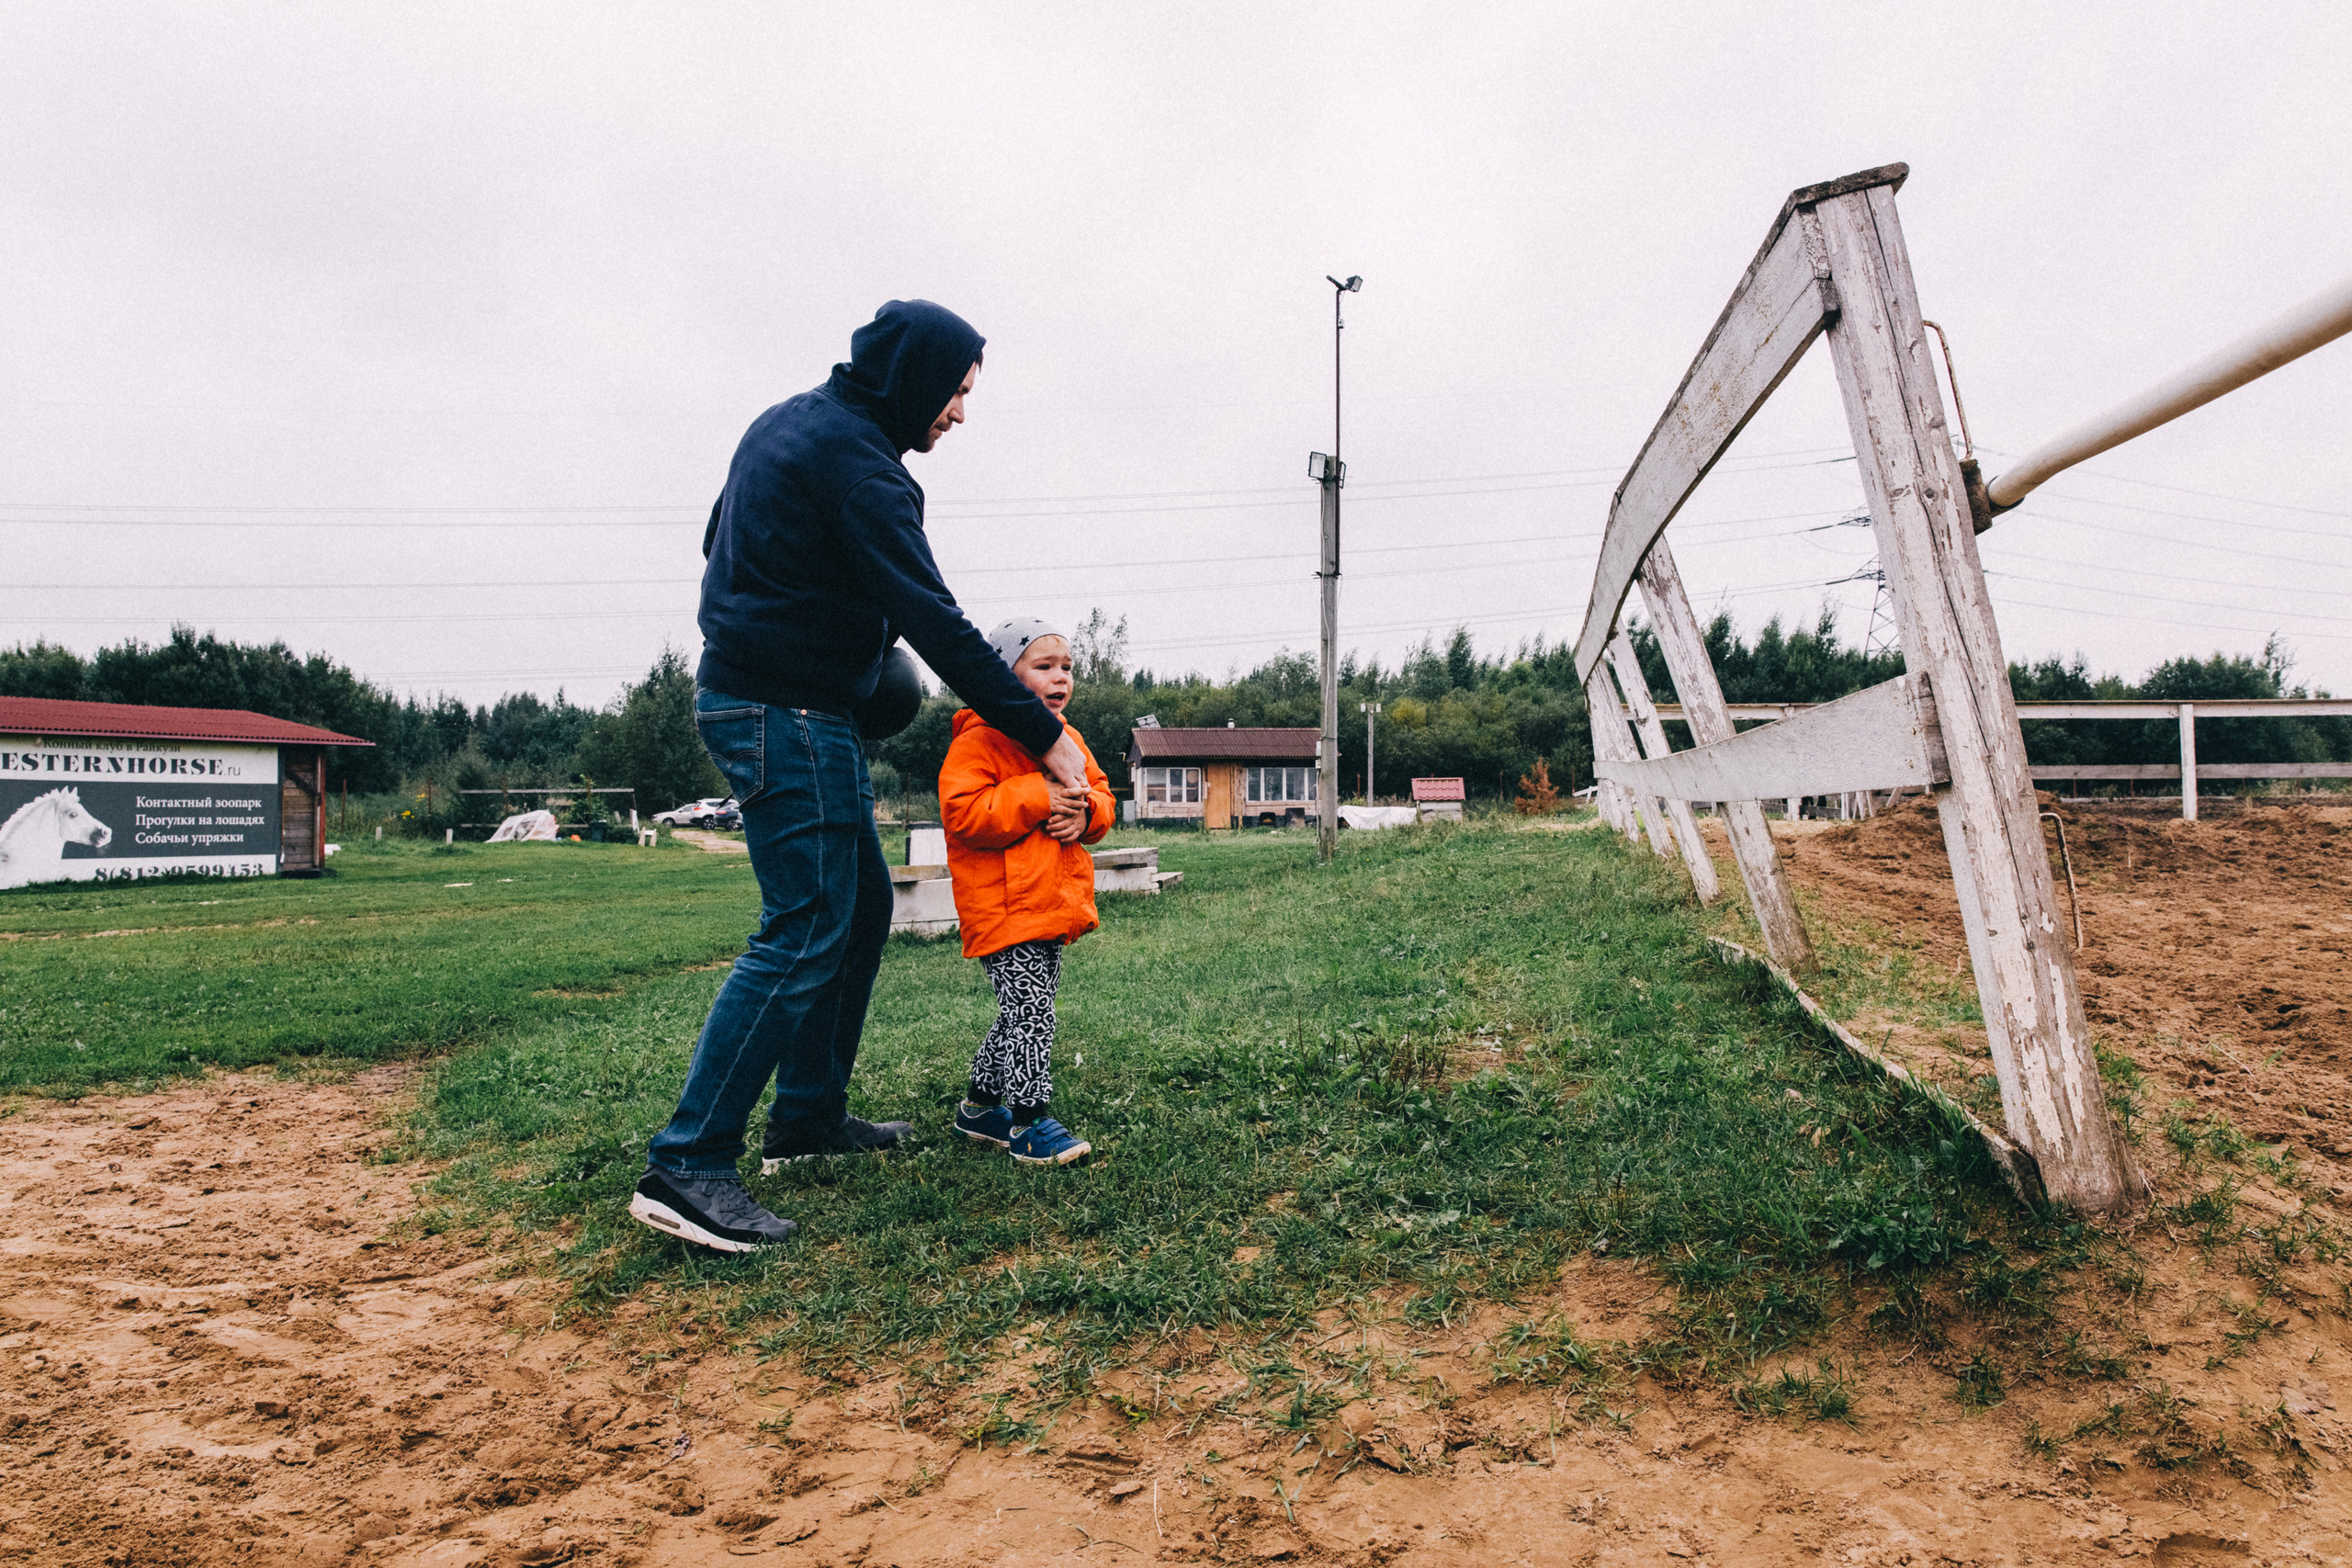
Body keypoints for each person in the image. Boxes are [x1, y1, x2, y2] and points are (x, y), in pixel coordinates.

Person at [630, 300, 1091, 1255]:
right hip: (781, 711)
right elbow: (935, 618)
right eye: (956, 393)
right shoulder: (866, 474)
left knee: (862, 904)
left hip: (781, 700)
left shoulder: (785, 424)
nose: (959, 414)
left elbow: (719, 539)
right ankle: (689, 1164)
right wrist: (1039, 737)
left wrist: (826, 630)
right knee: (805, 924)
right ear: (914, 380)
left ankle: (805, 1117)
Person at [938, 620, 1114, 1166]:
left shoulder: (1068, 739)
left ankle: (980, 1107)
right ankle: (1029, 1121)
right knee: (1032, 1013)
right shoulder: (979, 741)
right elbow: (963, 814)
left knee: (1024, 1011)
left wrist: (1086, 816)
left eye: (1066, 667)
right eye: (1044, 666)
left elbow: (1101, 793)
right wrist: (1038, 792)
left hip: (1051, 903)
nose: (1060, 677)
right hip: (1003, 908)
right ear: (1004, 679)